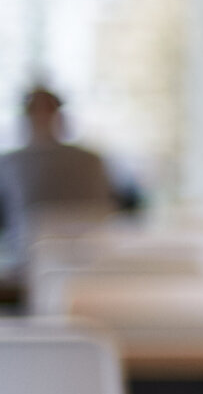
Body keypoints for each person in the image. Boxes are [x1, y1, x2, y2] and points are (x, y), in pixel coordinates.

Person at [0, 85, 141, 270]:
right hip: (96, 262)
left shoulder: (10, 164)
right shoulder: (93, 160)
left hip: (31, 266)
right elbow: (125, 204)